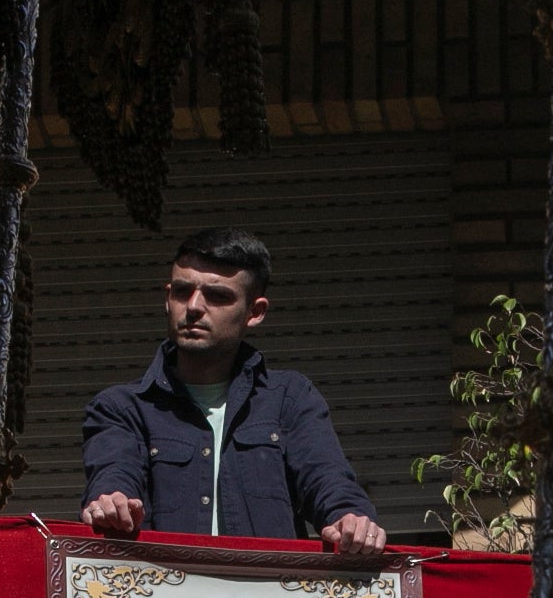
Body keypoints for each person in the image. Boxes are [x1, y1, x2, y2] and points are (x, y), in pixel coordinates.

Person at [80, 226, 385, 551]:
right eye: (183, 292)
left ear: (255, 312)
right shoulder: (122, 407)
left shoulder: (290, 398)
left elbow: (327, 480)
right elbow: (114, 472)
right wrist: (111, 501)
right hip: (165, 596)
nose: (194, 306)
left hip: (271, 596)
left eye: (218, 296)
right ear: (167, 297)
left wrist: (350, 519)